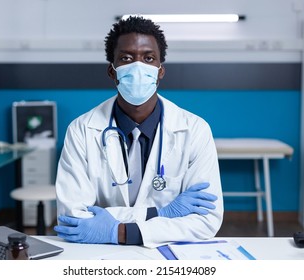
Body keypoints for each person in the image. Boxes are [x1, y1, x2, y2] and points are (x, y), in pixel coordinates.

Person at [54, 16, 223, 248]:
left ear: (160, 71)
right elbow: (73, 219)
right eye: (126, 58)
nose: (137, 66)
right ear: (112, 72)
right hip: (101, 256)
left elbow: (206, 220)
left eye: (148, 58)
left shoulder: (194, 130)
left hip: (168, 257)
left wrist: (118, 231)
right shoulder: (82, 130)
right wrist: (161, 213)